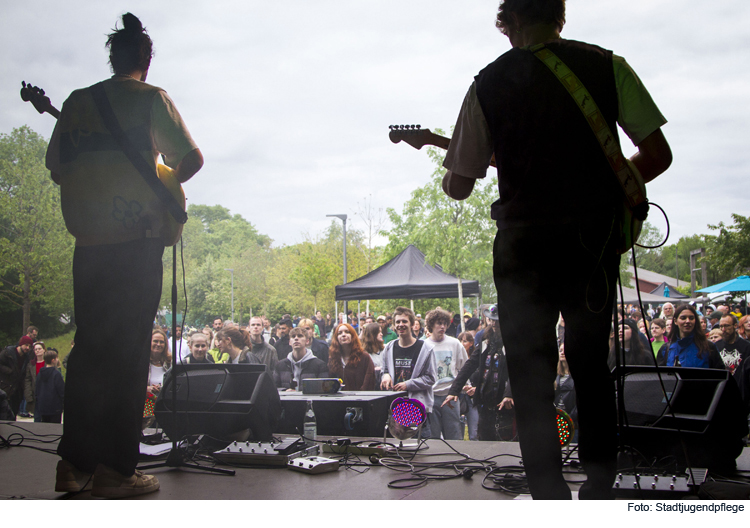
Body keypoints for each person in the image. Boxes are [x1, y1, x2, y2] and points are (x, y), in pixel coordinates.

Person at [441, 0, 672, 499]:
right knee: (591, 364)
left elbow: (459, 187)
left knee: (530, 372)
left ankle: (548, 493)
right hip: (591, 242)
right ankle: (601, 485)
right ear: (559, 15)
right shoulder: (608, 65)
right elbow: (658, 154)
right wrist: (613, 188)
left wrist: (453, 166)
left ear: (509, 21)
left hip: (523, 247)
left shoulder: (487, 82)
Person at [45, 12, 203, 497]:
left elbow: (56, 167)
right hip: (136, 244)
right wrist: (160, 179)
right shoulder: (151, 99)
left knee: (89, 351)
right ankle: (116, 468)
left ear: (112, 57)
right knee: (130, 353)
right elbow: (191, 159)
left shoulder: (75, 103)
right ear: (146, 61)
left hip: (88, 248)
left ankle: (73, 466)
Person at [444, 307, 513, 441]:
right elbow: (469, 366)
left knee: (506, 443)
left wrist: (509, 394)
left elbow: (518, 370)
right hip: (486, 402)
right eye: (492, 320)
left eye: (498, 321)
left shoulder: (513, 343)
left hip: (506, 405)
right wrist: (454, 390)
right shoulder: (485, 341)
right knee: (485, 441)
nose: (494, 324)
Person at [380, 307, 437, 438]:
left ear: (412, 324)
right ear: (394, 325)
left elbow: (430, 378)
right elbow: (384, 370)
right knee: (397, 448)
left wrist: (408, 384)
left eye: (404, 321)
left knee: (419, 450)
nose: (401, 325)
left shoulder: (426, 348)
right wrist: (386, 375)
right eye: (398, 322)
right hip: (396, 407)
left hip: (417, 407)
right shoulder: (389, 348)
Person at [424, 308, 468, 440]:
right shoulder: (424, 345)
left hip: (451, 395)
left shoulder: (454, 343)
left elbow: (465, 367)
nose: (442, 326)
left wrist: (466, 386)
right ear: (431, 325)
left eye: (445, 323)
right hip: (431, 396)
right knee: (433, 435)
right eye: (439, 323)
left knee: (454, 433)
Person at [657, 304, 724, 369]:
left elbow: (720, 375)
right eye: (683, 318)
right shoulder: (666, 349)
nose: (688, 321)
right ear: (675, 321)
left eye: (691, 318)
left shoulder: (708, 347)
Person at [328, 324, 375, 391]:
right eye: (339, 333)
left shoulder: (364, 357)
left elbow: (369, 380)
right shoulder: (333, 359)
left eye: (347, 332)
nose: (343, 335)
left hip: (360, 399)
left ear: (353, 336)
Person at [0, 335, 34, 418]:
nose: (27, 348)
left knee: (13, 414)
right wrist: (10, 371)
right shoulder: (8, 353)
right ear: (20, 344)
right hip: (6, 387)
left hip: (17, 390)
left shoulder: (27, 357)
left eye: (29, 346)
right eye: (26, 345)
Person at [34, 348, 65, 424]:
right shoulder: (56, 374)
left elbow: (36, 389)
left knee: (45, 427)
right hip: (55, 407)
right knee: (54, 428)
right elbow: (62, 391)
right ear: (53, 360)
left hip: (43, 406)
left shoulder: (40, 374)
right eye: (56, 358)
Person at [24, 341, 48, 421]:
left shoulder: (48, 363)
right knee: (37, 417)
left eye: (39, 349)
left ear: (44, 350)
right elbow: (28, 380)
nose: (37, 351)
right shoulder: (31, 364)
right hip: (35, 394)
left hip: (46, 394)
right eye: (35, 349)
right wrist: (28, 394)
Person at [362, 322, 385, 388]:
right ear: (372, 334)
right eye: (379, 332)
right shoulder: (364, 354)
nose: (381, 334)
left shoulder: (385, 350)